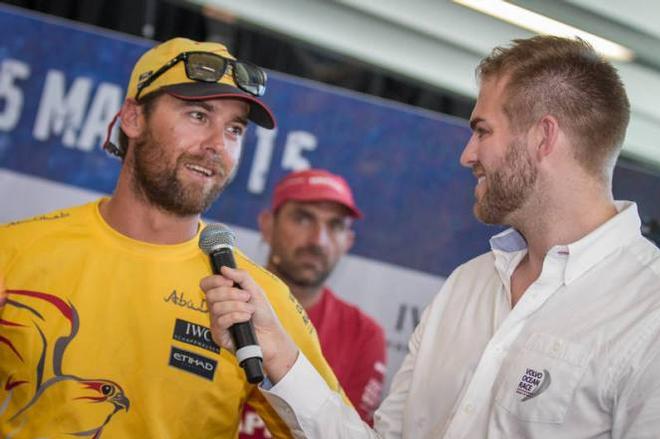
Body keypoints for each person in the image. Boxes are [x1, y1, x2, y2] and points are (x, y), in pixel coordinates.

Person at [202, 35, 660, 438]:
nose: (467, 155)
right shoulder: (468, 285)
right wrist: (280, 354)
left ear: (543, 137)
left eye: (483, 131)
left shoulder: (648, 315)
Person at [0, 37, 345, 437]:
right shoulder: (15, 252)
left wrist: (280, 368)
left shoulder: (258, 303)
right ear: (132, 118)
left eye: (234, 129)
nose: (217, 145)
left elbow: (338, 430)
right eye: (198, 116)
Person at [240, 169, 387, 437]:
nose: (318, 240)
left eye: (335, 226)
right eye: (303, 219)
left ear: (348, 242)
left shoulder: (363, 334)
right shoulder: (224, 298)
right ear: (267, 225)